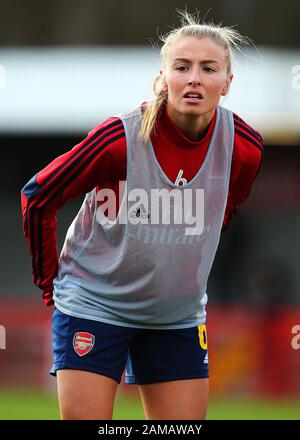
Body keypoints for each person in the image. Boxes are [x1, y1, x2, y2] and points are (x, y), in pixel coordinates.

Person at [21, 10, 263, 420]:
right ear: (164, 76)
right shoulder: (119, 137)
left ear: (227, 83)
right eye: (182, 67)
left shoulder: (244, 147)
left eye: (208, 69)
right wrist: (49, 281)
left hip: (177, 315)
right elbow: (40, 194)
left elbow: (223, 211)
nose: (194, 79)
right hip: (95, 305)